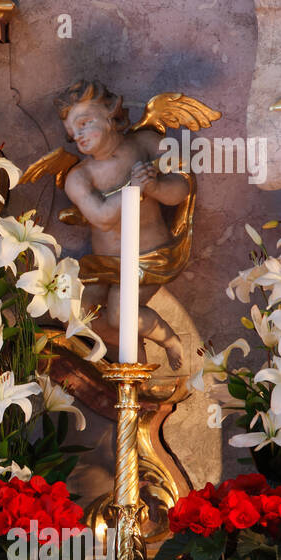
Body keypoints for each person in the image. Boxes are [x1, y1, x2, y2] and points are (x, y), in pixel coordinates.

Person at [57, 80, 188, 369]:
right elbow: (103, 218)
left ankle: (168, 339)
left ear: (110, 114)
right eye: (72, 131)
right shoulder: (79, 177)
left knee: (120, 314)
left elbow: (181, 190)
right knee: (74, 311)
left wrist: (154, 186)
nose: (78, 135)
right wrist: (135, 188)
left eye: (84, 123)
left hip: (148, 256)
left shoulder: (146, 145)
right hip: (103, 262)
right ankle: (129, 346)